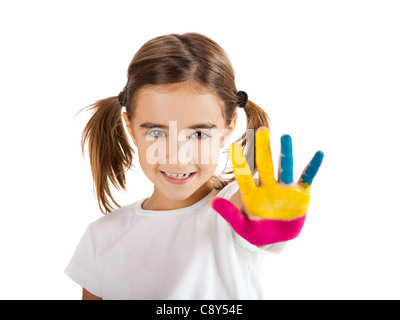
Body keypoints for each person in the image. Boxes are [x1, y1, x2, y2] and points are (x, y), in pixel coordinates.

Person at [65, 32, 324, 300]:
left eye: (198, 134)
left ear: (228, 128)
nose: (177, 157)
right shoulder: (100, 239)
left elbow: (248, 209)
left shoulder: (230, 213)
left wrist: (267, 217)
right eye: (157, 132)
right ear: (129, 126)